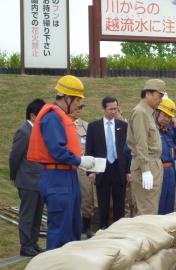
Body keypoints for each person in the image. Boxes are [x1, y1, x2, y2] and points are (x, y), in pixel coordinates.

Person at [27, 75, 95, 250]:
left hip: (67, 175)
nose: (78, 104)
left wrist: (78, 161)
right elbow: (57, 150)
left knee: (73, 228)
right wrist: (80, 160)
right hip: (57, 177)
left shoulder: (61, 117)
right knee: (60, 231)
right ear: (67, 98)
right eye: (77, 100)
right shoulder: (52, 117)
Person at [85, 96, 130, 229]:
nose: (113, 112)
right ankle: (102, 228)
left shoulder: (123, 126)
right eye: (110, 109)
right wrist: (90, 171)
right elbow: (89, 150)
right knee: (103, 201)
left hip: (119, 168)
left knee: (119, 202)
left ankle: (119, 229)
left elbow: (127, 151)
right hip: (101, 168)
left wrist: (128, 171)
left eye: (115, 109)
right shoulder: (94, 127)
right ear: (103, 109)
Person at [9, 98, 45, 257]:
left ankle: (33, 243)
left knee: (37, 214)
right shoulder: (24, 131)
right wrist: (13, 175)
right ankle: (25, 245)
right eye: (41, 115)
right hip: (27, 180)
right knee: (28, 215)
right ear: (32, 116)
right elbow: (14, 157)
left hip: (40, 181)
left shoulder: (39, 131)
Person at [126, 79, 165, 215]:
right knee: (147, 211)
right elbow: (141, 144)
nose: (161, 100)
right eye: (159, 96)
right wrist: (145, 169)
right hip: (147, 164)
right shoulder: (141, 112)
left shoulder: (148, 112)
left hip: (152, 163)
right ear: (148, 93)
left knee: (150, 209)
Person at [156, 98, 176, 214]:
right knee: (159, 203)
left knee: (169, 204)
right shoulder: (152, 129)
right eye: (164, 115)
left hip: (170, 171)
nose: (166, 119)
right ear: (158, 113)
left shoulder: (171, 129)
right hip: (158, 169)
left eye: (169, 117)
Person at [69, 104, 95, 238]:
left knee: (87, 195)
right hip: (68, 166)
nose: (78, 110)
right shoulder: (64, 125)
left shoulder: (86, 126)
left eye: (81, 108)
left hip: (83, 167)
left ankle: (87, 225)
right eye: (76, 107)